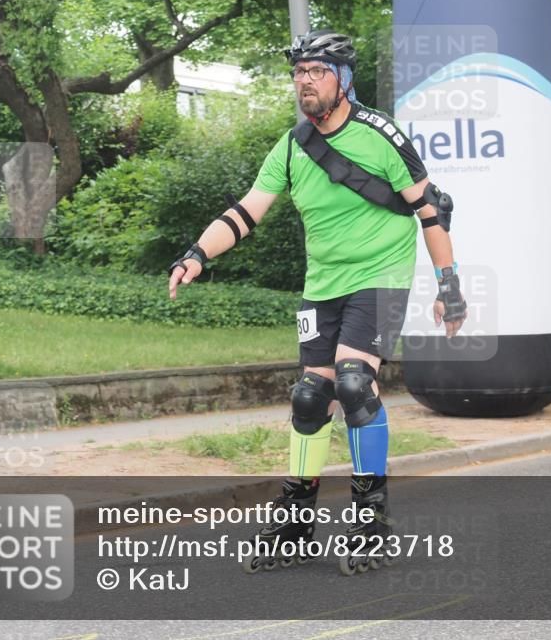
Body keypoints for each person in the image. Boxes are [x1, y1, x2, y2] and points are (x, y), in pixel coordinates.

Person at [167, 29, 467, 574]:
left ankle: (371, 516)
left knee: (355, 383)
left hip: (380, 276)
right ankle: (297, 518)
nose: (305, 81)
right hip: (322, 284)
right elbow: (246, 212)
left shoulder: (382, 136)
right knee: (311, 395)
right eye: (299, 72)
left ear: (344, 79)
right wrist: (196, 254)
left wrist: (450, 288)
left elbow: (430, 212)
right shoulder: (291, 146)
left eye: (317, 71)